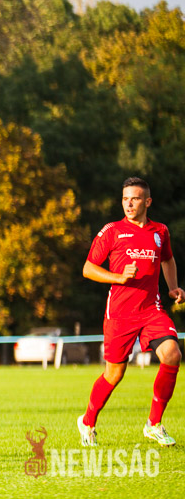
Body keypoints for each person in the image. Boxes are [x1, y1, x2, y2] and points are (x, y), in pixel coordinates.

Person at [77, 177, 185, 447]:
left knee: (172, 354)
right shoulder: (112, 231)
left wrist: (173, 287)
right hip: (119, 314)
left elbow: (168, 259)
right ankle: (87, 422)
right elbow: (88, 268)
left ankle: (154, 424)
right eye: (125, 199)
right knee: (114, 374)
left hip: (151, 309)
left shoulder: (160, 231)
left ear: (147, 202)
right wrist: (119, 277)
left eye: (135, 199)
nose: (129, 204)